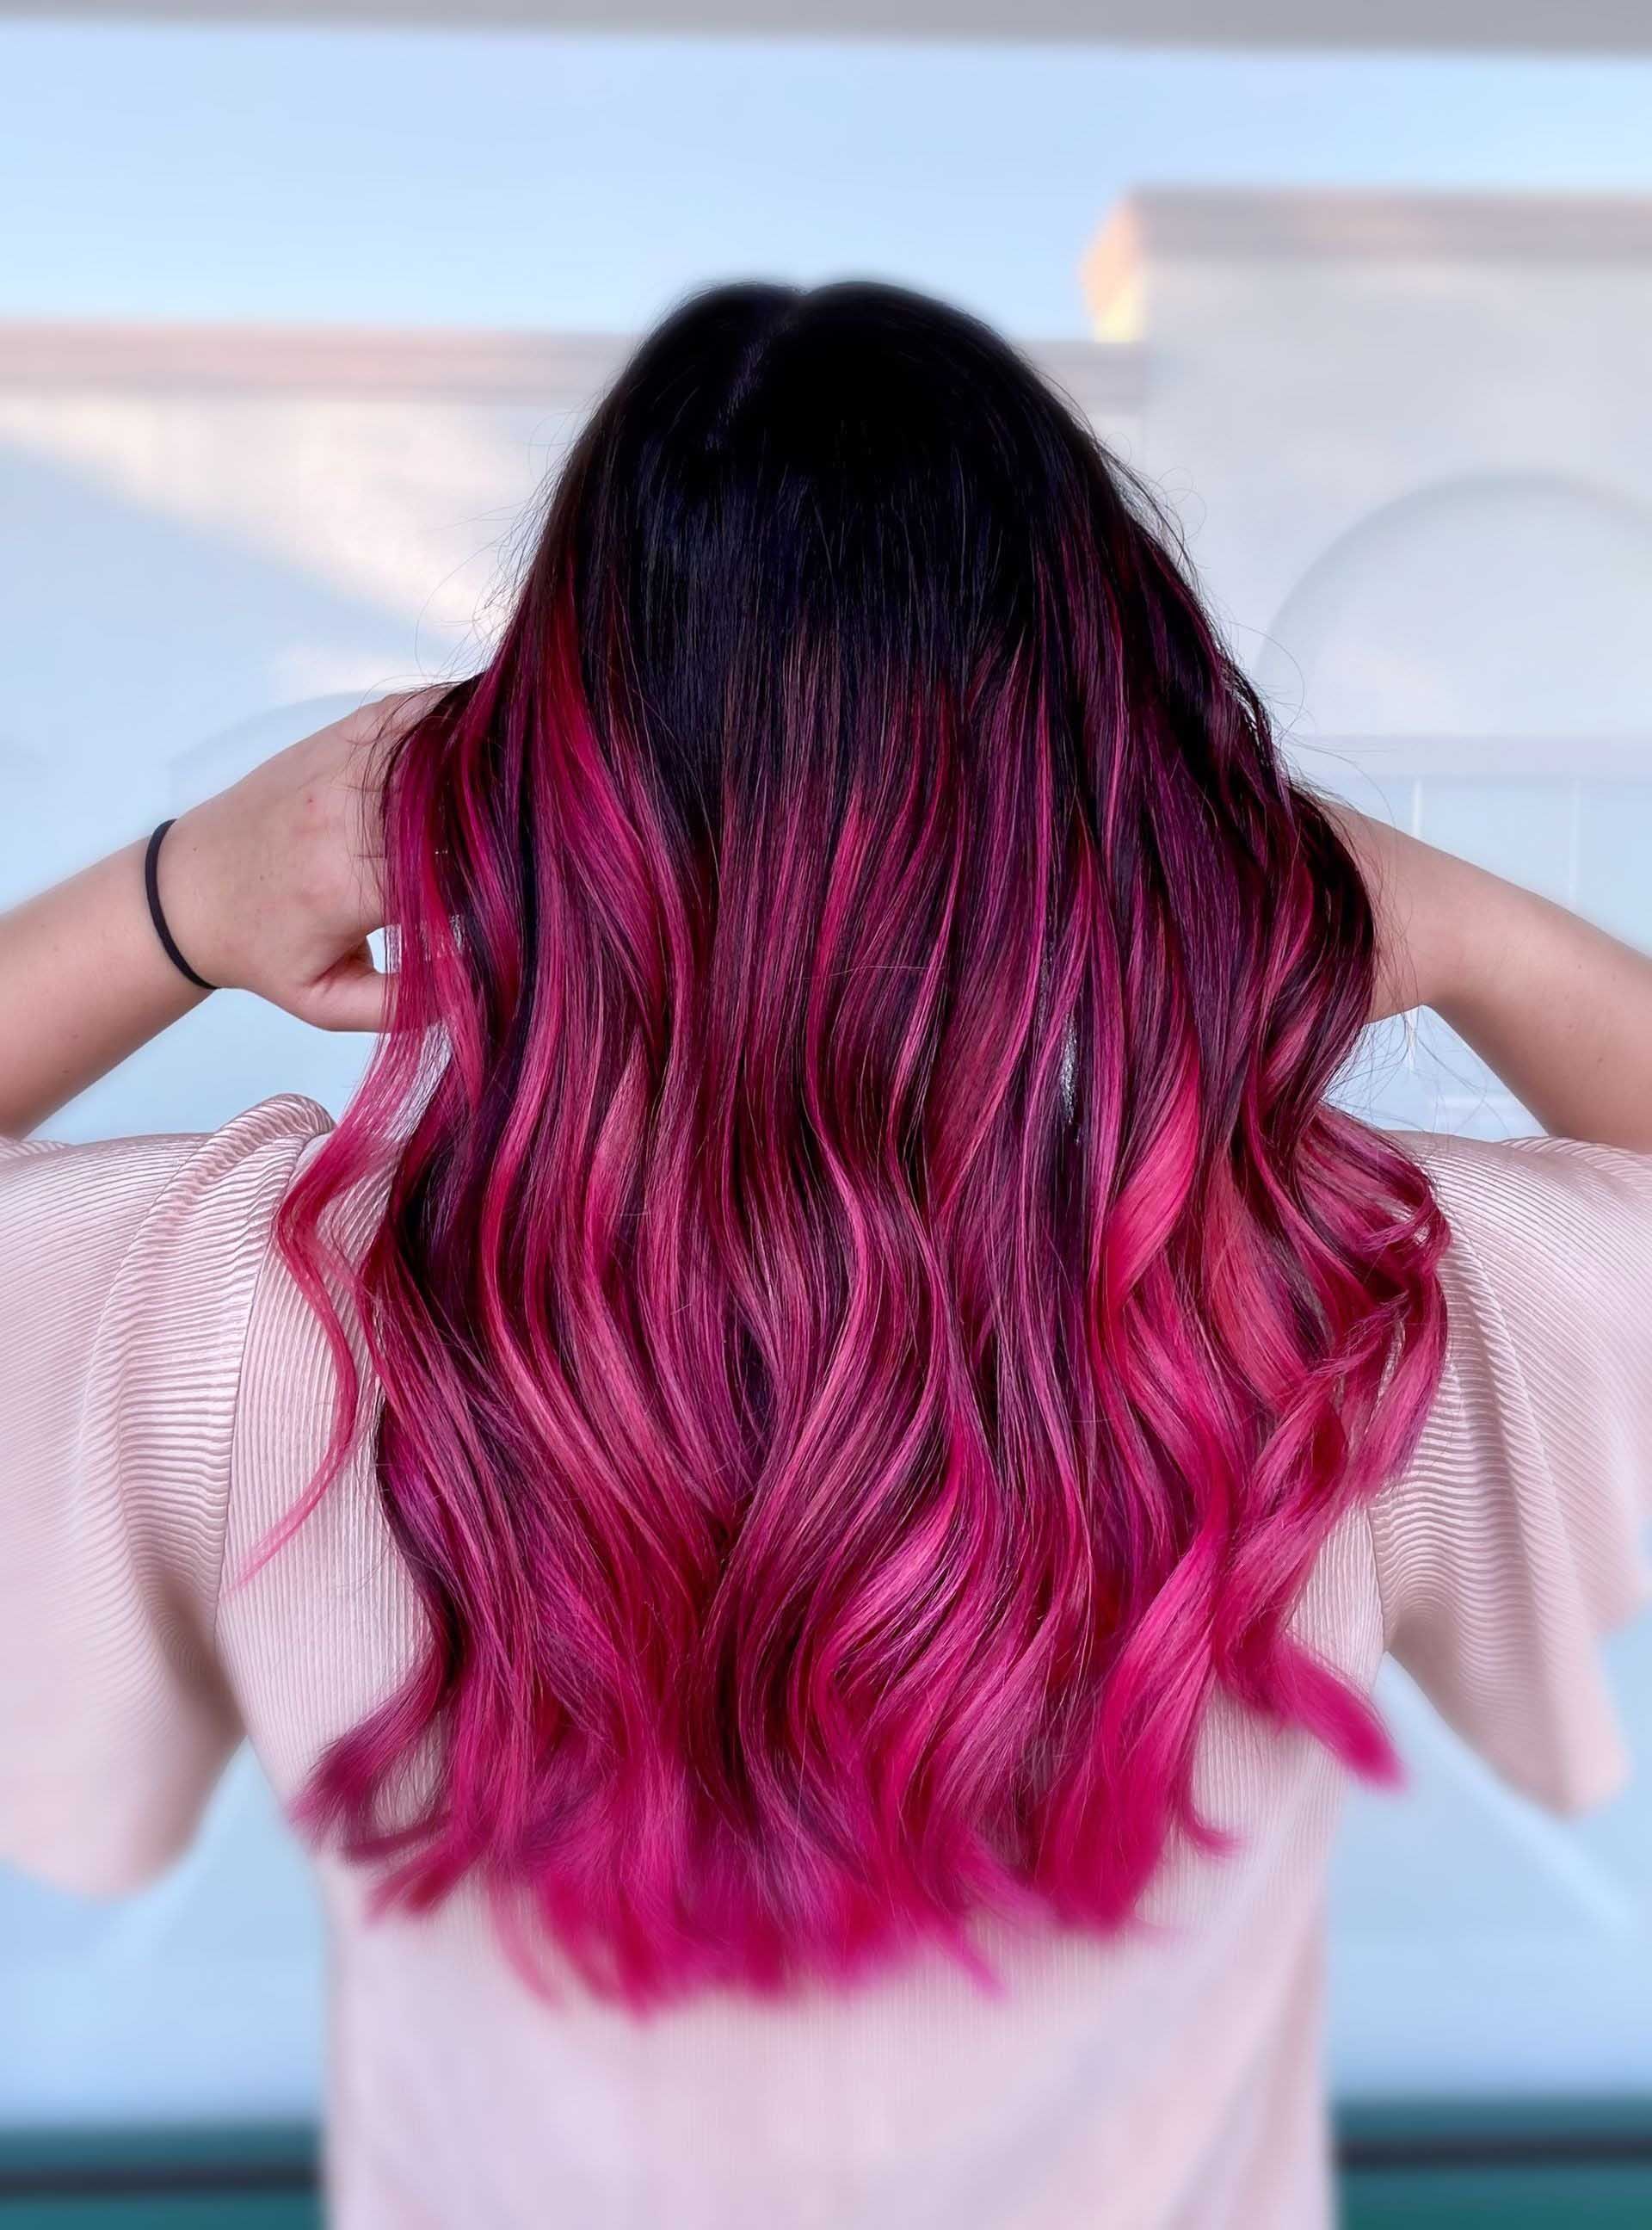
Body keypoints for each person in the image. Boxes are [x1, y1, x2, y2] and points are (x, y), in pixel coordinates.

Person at [2, 281, 1649, 2230]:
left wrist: (185, 894)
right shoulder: (1335, 1310)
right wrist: (1425, 906)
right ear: (1116, 813)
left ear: (552, 798)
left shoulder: (270, 1307)